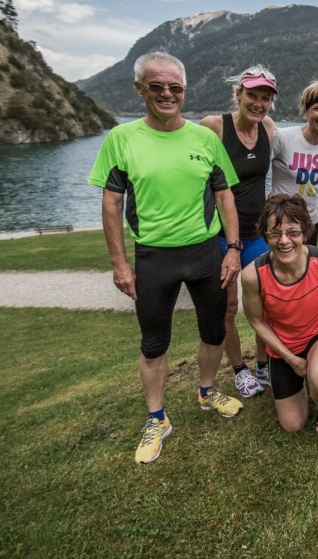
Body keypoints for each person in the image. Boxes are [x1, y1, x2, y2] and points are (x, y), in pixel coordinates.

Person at [88, 51, 244, 464]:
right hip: (154, 256)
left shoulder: (204, 139)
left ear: (184, 91)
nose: (166, 94)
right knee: (154, 342)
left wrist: (232, 248)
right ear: (140, 89)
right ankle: (157, 418)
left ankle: (207, 391)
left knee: (214, 330)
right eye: (156, 86)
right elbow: (111, 204)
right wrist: (120, 264)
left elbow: (225, 194)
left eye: (174, 87)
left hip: (206, 252)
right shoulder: (121, 139)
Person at [240, 194, 318, 460]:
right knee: (292, 425)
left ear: (305, 232)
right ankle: (301, 382)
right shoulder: (252, 274)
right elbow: (256, 320)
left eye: (292, 232)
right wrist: (290, 359)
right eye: (275, 233)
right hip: (282, 346)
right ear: (265, 235)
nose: (284, 241)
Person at [200, 64, 279, 397]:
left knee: (267, 303)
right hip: (220, 234)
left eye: (265, 98)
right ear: (239, 94)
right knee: (229, 306)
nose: (258, 103)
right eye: (252, 96)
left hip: (257, 233)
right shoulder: (214, 127)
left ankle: (263, 364)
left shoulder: (269, 128)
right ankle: (238, 369)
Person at [269, 81, 318, 246]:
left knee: (306, 269)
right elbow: (256, 170)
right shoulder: (282, 137)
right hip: (281, 223)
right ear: (306, 111)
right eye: (317, 108)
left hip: (310, 222)